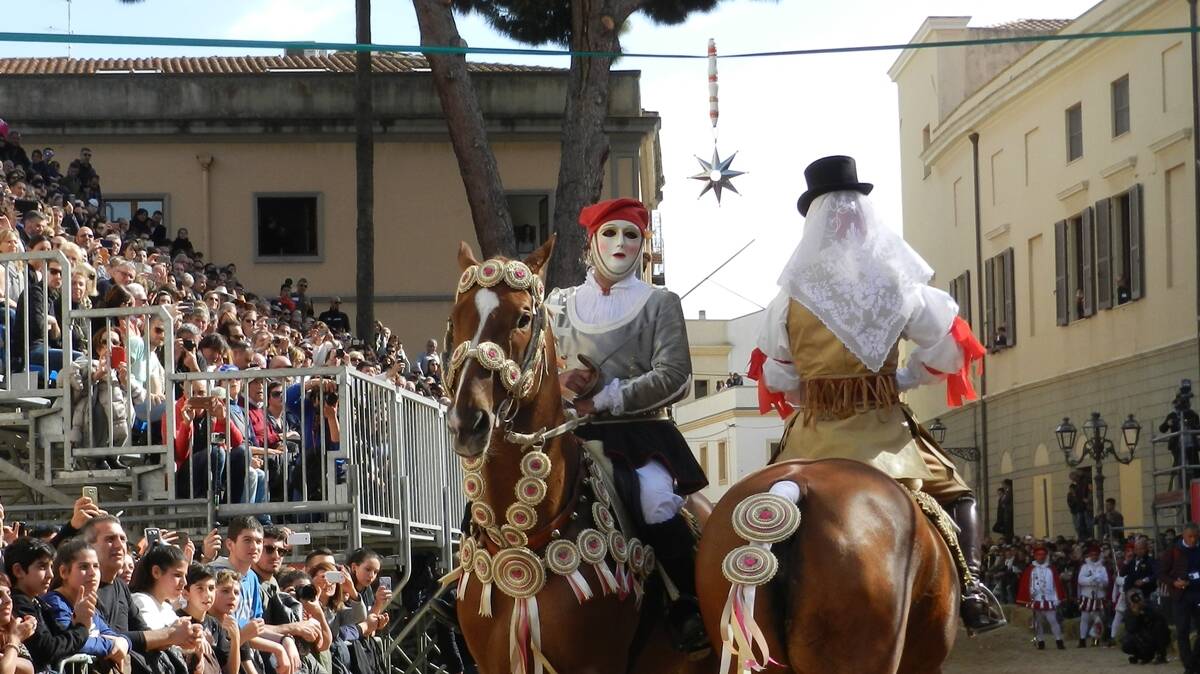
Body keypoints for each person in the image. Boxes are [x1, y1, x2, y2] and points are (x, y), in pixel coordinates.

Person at [751, 155, 1000, 634]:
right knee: (959, 494)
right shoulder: (898, 284)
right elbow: (948, 351)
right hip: (885, 432)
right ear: (861, 217)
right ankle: (971, 590)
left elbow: (780, 378)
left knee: (760, 509)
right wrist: (903, 379)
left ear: (816, 222)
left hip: (812, 438)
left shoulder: (788, 298)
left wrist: (816, 390)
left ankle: (755, 607)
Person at [548, 197, 709, 653]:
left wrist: (604, 397)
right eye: (610, 233)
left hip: (639, 435)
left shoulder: (660, 302)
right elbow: (535, 371)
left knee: (657, 501)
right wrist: (560, 383)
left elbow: (675, 376)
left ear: (644, 244)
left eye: (631, 234)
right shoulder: (556, 304)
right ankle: (465, 583)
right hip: (566, 434)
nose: (620, 243)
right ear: (591, 242)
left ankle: (687, 602)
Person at [41, 539, 132, 670]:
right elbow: (73, 643)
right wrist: (111, 646)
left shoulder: (87, 602)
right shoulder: (55, 603)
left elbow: (111, 634)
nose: (92, 573)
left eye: (96, 566)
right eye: (84, 567)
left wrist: (124, 642)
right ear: (64, 572)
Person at [6, 537, 88, 670]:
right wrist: (82, 629)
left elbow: (58, 638)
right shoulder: (18, 604)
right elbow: (47, 649)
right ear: (18, 571)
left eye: (51, 566)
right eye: (42, 567)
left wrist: (75, 622)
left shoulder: (37, 601)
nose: (50, 574)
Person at [179, 564, 240, 674]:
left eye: (211, 588)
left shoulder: (214, 624)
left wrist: (236, 639)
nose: (207, 595)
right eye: (200, 588)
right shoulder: (179, 621)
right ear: (185, 594)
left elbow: (231, 671)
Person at [1161, 522, 1200, 671]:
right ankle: (1189, 666)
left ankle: (1195, 661)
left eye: (1195, 537)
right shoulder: (1173, 551)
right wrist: (1174, 583)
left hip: (1197, 594)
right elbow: (1161, 572)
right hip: (1180, 596)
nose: (1193, 540)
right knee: (1182, 631)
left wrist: (1191, 580)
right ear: (1184, 535)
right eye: (1190, 536)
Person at [1016, 544, 1066, 650]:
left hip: (1049, 599)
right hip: (1036, 598)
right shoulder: (1031, 570)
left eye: (1043, 555)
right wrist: (1030, 595)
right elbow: (1027, 584)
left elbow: (1055, 585)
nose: (1041, 557)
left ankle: (1059, 640)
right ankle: (1041, 641)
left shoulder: (1051, 569)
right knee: (1038, 622)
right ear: (1035, 556)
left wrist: (1056, 599)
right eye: (1039, 555)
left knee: (1052, 620)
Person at [1121, 589, 1170, 665]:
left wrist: (1144, 608)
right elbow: (1130, 629)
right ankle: (1142, 655)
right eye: (1132, 597)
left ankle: (1161, 655)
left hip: (1154, 636)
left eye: (1137, 596)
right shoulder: (1129, 611)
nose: (1135, 599)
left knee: (1159, 625)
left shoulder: (1150, 604)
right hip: (1142, 638)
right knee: (1127, 643)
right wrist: (1136, 615)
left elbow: (1161, 617)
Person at [1076, 545, 1108, 647]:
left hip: (1098, 595)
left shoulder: (1102, 568)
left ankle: (1095, 638)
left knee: (1097, 618)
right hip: (1087, 595)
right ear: (1089, 555)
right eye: (1092, 554)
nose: (1094, 556)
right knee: (1084, 618)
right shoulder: (1085, 567)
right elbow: (1080, 580)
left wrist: (1100, 581)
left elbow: (1106, 581)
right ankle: (1082, 639)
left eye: (1096, 554)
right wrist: (1090, 580)